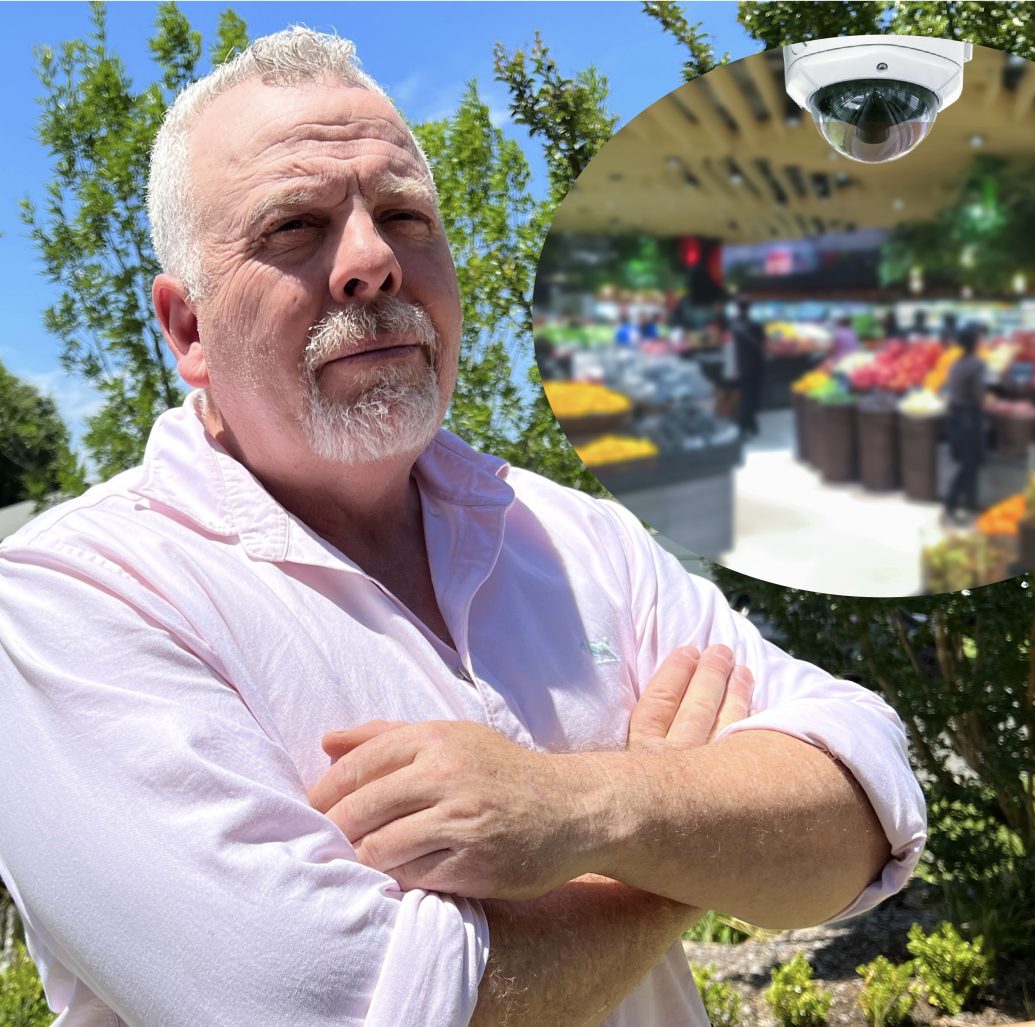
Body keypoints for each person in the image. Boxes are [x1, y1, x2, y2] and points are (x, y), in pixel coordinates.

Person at [0, 29, 926, 1026]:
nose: (371, 262)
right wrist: (683, 835)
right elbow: (331, 1005)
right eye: (295, 228)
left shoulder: (580, 539)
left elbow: (862, 810)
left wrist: (583, 808)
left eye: (404, 216)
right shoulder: (68, 600)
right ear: (187, 330)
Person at [943, 323, 989, 522]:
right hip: (970, 418)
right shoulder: (977, 364)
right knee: (969, 464)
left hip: (955, 416)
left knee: (968, 462)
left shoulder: (955, 364)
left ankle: (970, 504)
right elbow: (979, 396)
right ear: (975, 342)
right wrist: (990, 401)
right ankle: (951, 503)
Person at [729, 296, 767, 439]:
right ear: (749, 308)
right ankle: (744, 427)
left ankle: (751, 425)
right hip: (755, 367)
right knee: (750, 398)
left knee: (745, 397)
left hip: (738, 367)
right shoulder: (756, 325)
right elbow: (764, 346)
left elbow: (728, 348)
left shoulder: (732, 326)